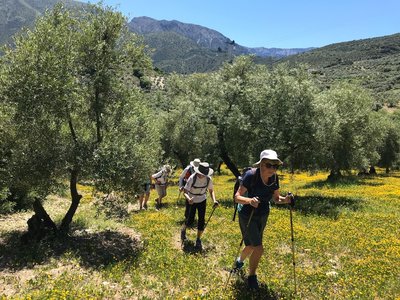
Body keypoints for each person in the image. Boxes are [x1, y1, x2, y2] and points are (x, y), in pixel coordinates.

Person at [234, 149, 293, 290]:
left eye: (275, 166)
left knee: (251, 245)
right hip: (247, 214)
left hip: (263, 214)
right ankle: (252, 277)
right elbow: (237, 197)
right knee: (258, 248)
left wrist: (287, 200)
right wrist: (249, 200)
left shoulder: (274, 178)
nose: (272, 169)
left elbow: (277, 198)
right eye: (269, 165)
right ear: (261, 164)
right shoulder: (250, 176)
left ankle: (238, 262)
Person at [181, 162, 218, 249]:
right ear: (197, 172)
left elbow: (211, 190)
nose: (202, 176)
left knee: (201, 220)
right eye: (201, 174)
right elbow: (185, 191)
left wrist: (214, 200)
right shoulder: (192, 178)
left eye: (204, 174)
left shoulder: (208, 179)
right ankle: (183, 230)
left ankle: (198, 239)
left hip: (202, 200)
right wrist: (188, 199)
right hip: (191, 200)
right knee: (190, 220)